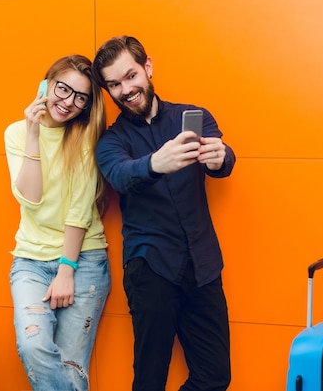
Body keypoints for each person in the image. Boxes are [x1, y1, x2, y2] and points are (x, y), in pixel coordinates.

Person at [92, 36, 236, 391]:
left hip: (202, 266)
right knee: (149, 381)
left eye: (130, 76)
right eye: (114, 84)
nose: (126, 89)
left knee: (216, 376)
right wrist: (156, 163)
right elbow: (121, 175)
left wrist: (223, 158)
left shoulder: (194, 117)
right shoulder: (111, 142)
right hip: (151, 269)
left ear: (148, 68)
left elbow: (223, 159)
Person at [4, 54, 111, 391]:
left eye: (81, 97)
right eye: (63, 89)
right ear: (46, 84)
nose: (68, 103)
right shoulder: (17, 133)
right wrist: (34, 134)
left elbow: (79, 209)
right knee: (33, 346)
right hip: (31, 261)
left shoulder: (85, 136)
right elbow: (31, 198)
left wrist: (67, 269)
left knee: (72, 366)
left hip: (84, 259)